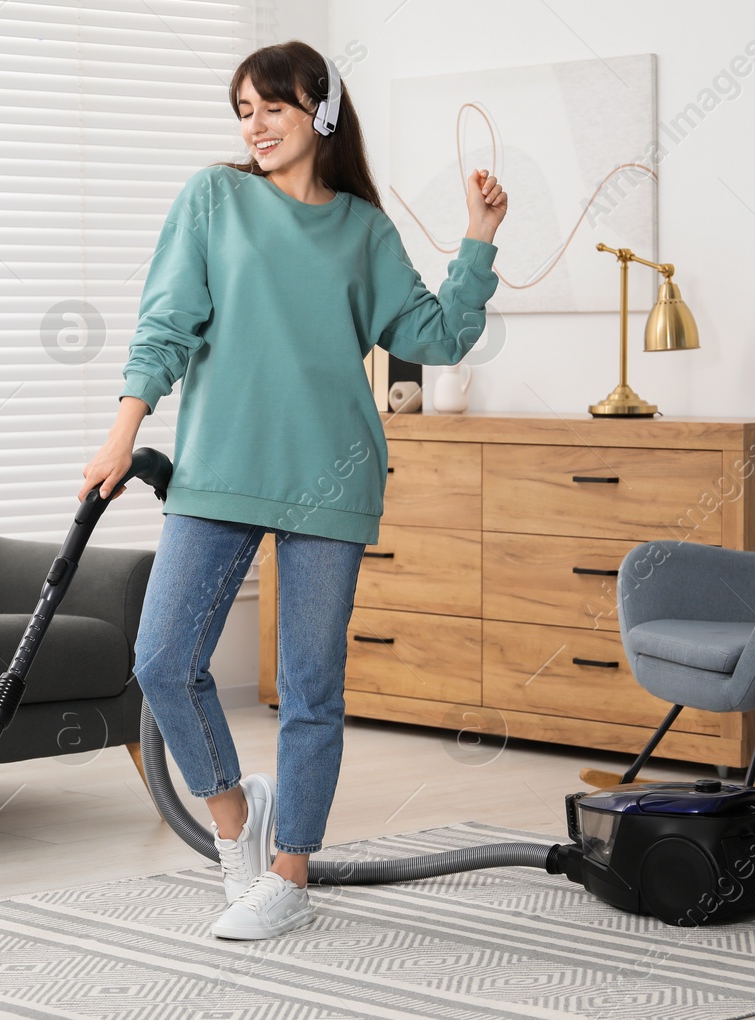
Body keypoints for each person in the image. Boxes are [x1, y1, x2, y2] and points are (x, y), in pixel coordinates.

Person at [77, 40, 508, 940]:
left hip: (331, 476)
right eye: (242, 111)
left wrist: (477, 239)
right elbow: (166, 323)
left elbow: (437, 334)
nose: (255, 126)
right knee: (162, 659)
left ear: (321, 109)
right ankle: (237, 827)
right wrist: (125, 427)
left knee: (312, 687)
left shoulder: (361, 230)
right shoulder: (214, 199)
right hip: (216, 471)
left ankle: (290, 873)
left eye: (272, 106)